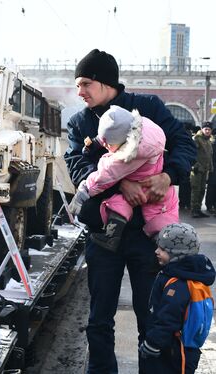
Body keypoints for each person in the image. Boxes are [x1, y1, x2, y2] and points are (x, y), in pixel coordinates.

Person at [64, 48, 197, 374]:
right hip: (104, 235)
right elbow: (77, 164)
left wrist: (168, 176)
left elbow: (183, 144)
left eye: (84, 84)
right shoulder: (80, 122)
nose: (79, 92)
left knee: (152, 316)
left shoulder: (147, 107)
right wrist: (120, 185)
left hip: (149, 236)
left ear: (106, 82)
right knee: (99, 319)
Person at [69, 105, 179, 252]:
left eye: (109, 144)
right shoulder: (140, 127)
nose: (106, 145)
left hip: (148, 185)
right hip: (153, 172)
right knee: (153, 208)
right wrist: (95, 142)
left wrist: (83, 192)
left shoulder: (128, 156)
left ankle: (165, 247)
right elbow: (113, 133)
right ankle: (163, 248)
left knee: (129, 206)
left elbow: (103, 177)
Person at [139, 223, 215, 373]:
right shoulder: (183, 275)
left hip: (172, 349)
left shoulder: (178, 285)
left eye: (162, 249)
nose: (156, 251)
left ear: (177, 254)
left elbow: (168, 317)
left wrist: (153, 343)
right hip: (181, 347)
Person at [190, 122, 213, 218]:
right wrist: (194, 165)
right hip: (197, 169)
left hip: (205, 169)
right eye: (206, 129)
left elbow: (209, 156)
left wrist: (211, 168)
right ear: (202, 129)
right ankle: (194, 210)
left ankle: (198, 209)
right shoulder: (197, 139)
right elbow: (191, 152)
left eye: (209, 129)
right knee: (196, 189)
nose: (207, 131)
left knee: (202, 190)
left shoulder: (208, 141)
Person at [205, 131, 216, 213]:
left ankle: (210, 205)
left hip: (212, 168)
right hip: (213, 168)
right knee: (212, 187)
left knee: (211, 187)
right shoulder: (213, 144)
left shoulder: (212, 143)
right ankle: (210, 205)